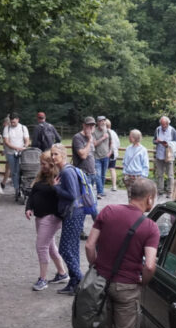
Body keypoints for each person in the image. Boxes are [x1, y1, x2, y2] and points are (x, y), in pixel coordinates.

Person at [85, 177, 160, 328]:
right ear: (149, 199)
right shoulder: (150, 227)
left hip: (101, 281)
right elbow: (149, 264)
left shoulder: (107, 211)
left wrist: (95, 265)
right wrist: (143, 281)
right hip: (127, 286)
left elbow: (89, 245)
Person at [51, 144, 96, 295]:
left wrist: (55, 187)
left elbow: (71, 194)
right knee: (73, 248)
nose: (53, 157)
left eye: (55, 154)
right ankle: (73, 283)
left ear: (63, 155)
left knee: (64, 249)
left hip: (73, 213)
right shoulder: (66, 170)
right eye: (52, 154)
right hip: (76, 213)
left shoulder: (66, 172)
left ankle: (81, 280)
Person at [25, 151, 68, 291]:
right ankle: (62, 274)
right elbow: (33, 194)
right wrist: (29, 207)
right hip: (40, 216)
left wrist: (55, 187)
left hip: (51, 217)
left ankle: (42, 279)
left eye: (43, 164)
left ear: (51, 164)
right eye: (41, 163)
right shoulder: (41, 176)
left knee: (41, 247)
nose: (41, 166)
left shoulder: (58, 177)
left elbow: (61, 195)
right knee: (49, 247)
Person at [2, 113, 30, 200]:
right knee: (14, 171)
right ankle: (16, 189)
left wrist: (24, 146)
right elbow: (6, 142)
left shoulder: (23, 128)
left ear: (18, 119)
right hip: (11, 153)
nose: (12, 124)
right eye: (11, 122)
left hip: (21, 152)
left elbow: (27, 139)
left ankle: (24, 187)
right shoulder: (7, 128)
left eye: (14, 122)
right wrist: (16, 148)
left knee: (22, 170)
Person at [153, 115, 176, 196]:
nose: (163, 126)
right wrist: (156, 141)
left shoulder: (172, 130)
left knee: (170, 175)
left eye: (165, 124)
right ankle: (160, 190)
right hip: (159, 155)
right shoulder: (157, 129)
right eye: (162, 124)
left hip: (169, 155)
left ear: (168, 123)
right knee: (160, 174)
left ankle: (169, 191)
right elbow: (153, 140)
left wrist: (168, 144)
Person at [122, 129, 149, 196]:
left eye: (130, 136)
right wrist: (125, 173)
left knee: (138, 196)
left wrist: (143, 177)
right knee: (130, 196)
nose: (129, 137)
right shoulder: (128, 148)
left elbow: (145, 165)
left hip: (138, 177)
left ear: (135, 138)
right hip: (128, 176)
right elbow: (124, 162)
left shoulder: (143, 150)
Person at [92, 116, 112, 198]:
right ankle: (100, 192)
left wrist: (110, 152)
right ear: (97, 122)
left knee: (103, 175)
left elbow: (111, 142)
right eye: (100, 121)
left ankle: (101, 190)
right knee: (98, 175)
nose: (102, 123)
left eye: (104, 121)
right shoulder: (94, 132)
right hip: (97, 157)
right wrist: (103, 138)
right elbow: (94, 144)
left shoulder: (107, 131)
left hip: (106, 156)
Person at [72, 116, 97, 181]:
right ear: (84, 125)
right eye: (89, 125)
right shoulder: (77, 137)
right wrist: (89, 140)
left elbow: (91, 153)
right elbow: (83, 156)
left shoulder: (91, 136)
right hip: (82, 173)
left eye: (93, 125)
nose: (91, 127)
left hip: (92, 173)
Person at [107, 120, 120, 192]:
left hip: (107, 153)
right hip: (114, 154)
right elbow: (118, 143)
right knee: (112, 169)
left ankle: (100, 185)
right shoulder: (114, 133)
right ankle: (114, 186)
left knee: (102, 169)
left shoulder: (105, 133)